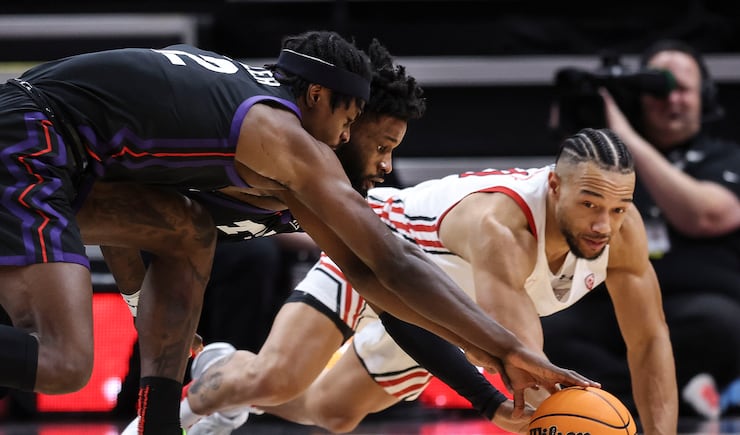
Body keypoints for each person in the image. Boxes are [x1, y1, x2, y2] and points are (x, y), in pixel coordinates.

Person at [0, 31, 592, 435]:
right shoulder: (285, 138)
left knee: (189, 231)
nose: (374, 156)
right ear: (320, 99)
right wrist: (507, 349)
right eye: (361, 130)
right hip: (34, 133)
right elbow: (390, 266)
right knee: (65, 364)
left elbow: (135, 216)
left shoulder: (284, 161)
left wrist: (489, 380)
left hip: (70, 162)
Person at [115, 37, 533, 435]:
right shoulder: (270, 141)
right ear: (344, 121)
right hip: (111, 185)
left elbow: (394, 304)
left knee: (329, 409)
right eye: (381, 147)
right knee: (217, 298)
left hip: (177, 233)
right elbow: (120, 199)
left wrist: (488, 392)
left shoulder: (331, 179)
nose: (387, 165)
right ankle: (165, 402)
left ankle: (207, 383)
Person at [180, 127, 678, 435]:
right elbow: (523, 363)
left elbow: (650, 341)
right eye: (590, 204)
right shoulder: (502, 228)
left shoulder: (621, 230)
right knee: (278, 376)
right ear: (554, 185)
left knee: (332, 412)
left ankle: (228, 378)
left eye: (618, 208)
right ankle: (176, 408)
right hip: (379, 248)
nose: (603, 224)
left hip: (443, 307)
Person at [543, 39, 740, 419]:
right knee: (548, 331)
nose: (671, 100)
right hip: (608, 302)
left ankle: (613, 404)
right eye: (658, 91)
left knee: (720, 325)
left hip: (694, 307)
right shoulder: (602, 164)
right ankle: (671, 398)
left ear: (704, 97)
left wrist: (625, 139)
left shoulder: (726, 158)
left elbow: (706, 216)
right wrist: (577, 146)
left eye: (682, 90)